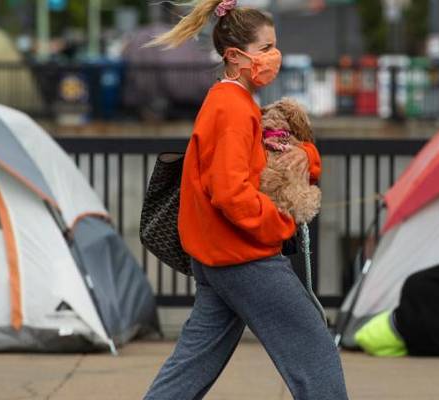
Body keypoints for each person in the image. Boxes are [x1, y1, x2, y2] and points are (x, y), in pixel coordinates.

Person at [141, 1, 347, 399]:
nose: (274, 57)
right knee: (314, 351)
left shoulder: (229, 103)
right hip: (244, 258)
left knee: (191, 366)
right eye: (265, 48)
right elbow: (230, 191)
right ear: (235, 57)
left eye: (274, 46)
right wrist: (280, 225)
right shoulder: (233, 109)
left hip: (218, 258)